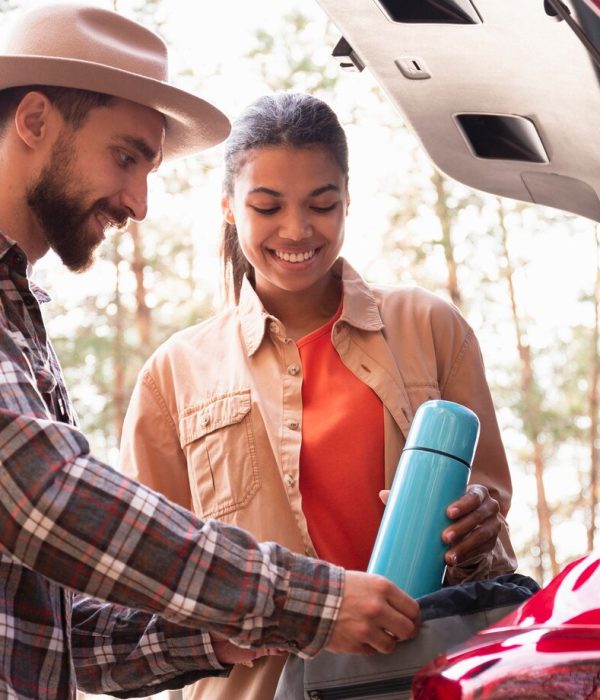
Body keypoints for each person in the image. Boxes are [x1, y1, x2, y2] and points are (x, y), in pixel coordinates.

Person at [0, 8, 420, 699]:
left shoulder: (20, 317)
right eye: (126, 157)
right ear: (36, 120)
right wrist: (311, 602)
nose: (138, 202)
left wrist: (217, 633)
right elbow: (44, 496)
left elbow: (63, 635)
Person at [119, 91, 518, 700]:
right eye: (267, 206)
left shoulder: (428, 328)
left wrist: (476, 528)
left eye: (322, 204)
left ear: (348, 202)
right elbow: (150, 585)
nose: (297, 230)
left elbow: (490, 526)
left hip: (416, 679)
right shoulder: (173, 375)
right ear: (229, 208)